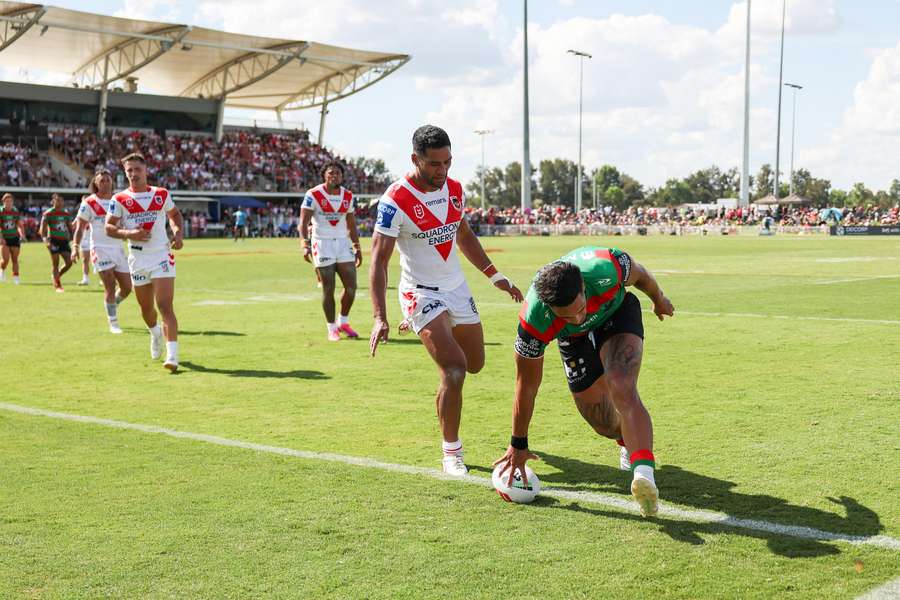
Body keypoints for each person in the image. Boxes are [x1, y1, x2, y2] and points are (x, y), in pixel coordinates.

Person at [369, 125, 523, 476]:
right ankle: (451, 452)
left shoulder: (453, 189)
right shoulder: (394, 201)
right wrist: (380, 316)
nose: (443, 170)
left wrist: (494, 274)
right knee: (453, 370)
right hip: (420, 292)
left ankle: (443, 400)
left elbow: (462, 233)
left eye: (448, 162)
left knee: (474, 363)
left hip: (457, 288)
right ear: (415, 160)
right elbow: (378, 260)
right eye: (435, 164)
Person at [493, 246, 674, 517]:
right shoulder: (534, 320)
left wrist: (659, 299)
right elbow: (526, 385)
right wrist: (518, 443)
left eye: (579, 309)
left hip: (615, 313)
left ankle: (644, 474)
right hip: (572, 340)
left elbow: (641, 275)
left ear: (583, 287)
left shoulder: (606, 267)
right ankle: (626, 440)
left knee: (621, 385)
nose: (578, 318)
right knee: (602, 422)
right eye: (565, 315)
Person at [106, 153, 184, 371]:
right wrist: (129, 232)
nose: (133, 174)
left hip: (161, 255)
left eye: (137, 169)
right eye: (129, 170)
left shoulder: (161, 194)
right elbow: (109, 227)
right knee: (146, 308)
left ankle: (172, 356)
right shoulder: (119, 199)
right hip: (137, 258)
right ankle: (155, 333)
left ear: (146, 170)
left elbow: (175, 214)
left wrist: (177, 233)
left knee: (165, 306)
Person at [300, 162, 363, 341]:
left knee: (351, 287)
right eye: (331, 173)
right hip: (322, 243)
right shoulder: (313, 194)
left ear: (342, 176)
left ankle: (343, 322)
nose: (334, 176)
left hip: (343, 244)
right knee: (329, 289)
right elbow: (303, 222)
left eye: (338, 173)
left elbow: (351, 224)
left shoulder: (348, 196)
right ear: (324, 176)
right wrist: (304, 244)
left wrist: (357, 247)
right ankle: (331, 328)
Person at [72, 168, 132, 334]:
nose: (105, 183)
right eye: (102, 180)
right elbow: (80, 228)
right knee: (110, 285)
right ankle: (113, 322)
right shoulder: (89, 203)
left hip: (118, 249)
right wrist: (75, 246)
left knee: (127, 288)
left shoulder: (118, 200)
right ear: (96, 184)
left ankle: (113, 304)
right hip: (99, 248)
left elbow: (125, 222)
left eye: (108, 180)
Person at [39, 193, 74, 292]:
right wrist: (46, 241)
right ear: (53, 201)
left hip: (64, 241)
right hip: (53, 240)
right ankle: (57, 285)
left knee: (69, 262)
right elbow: (43, 229)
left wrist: (73, 237)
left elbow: (70, 227)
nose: (59, 202)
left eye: (61, 200)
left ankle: (56, 276)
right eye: (57, 200)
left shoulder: (65, 214)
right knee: (56, 263)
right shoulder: (48, 213)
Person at [0, 193, 26, 284]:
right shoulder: (1, 211)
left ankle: (16, 277)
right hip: (4, 238)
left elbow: (19, 225)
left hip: (14, 238)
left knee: (15, 259)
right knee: (5, 260)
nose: (9, 203)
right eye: (7, 201)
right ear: (3, 202)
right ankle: (2, 270)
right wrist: (1, 237)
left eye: (11, 201)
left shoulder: (15, 211)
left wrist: (22, 235)